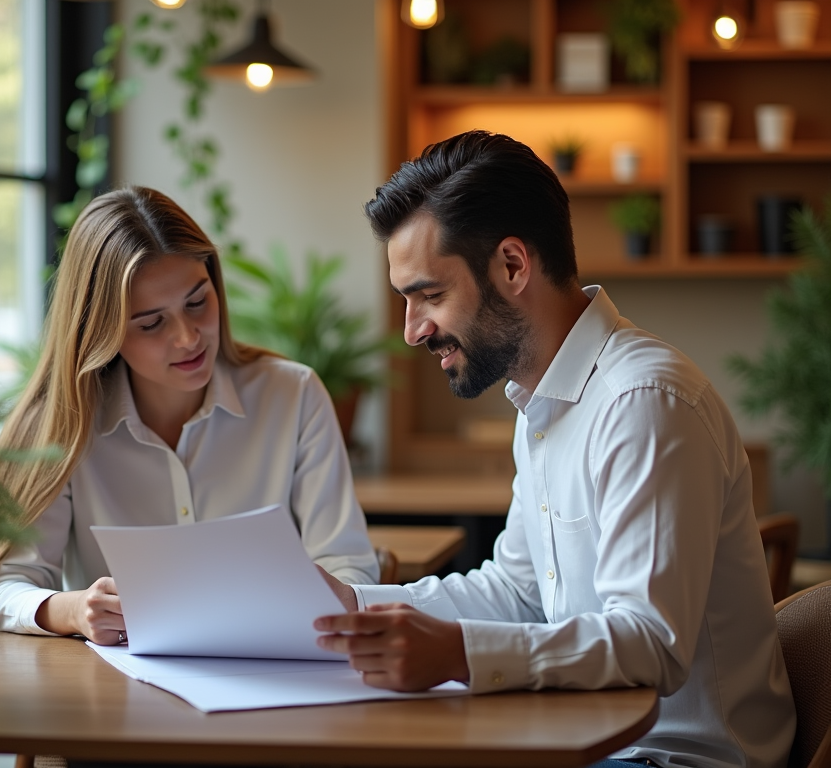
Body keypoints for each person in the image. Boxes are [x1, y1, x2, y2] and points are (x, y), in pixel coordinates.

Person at [314, 131, 795, 768]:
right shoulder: (540, 401)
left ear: (513, 266)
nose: (412, 331)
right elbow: (520, 592)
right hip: (587, 741)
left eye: (429, 295)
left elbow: (652, 644)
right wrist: (349, 608)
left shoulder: (643, 402)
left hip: (671, 760)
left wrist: (458, 653)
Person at [0, 186, 378, 640]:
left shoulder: (293, 395)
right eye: (151, 323)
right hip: (119, 691)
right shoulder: (60, 422)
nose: (188, 338)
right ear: (101, 330)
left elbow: (349, 569)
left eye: (197, 302)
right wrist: (75, 610)